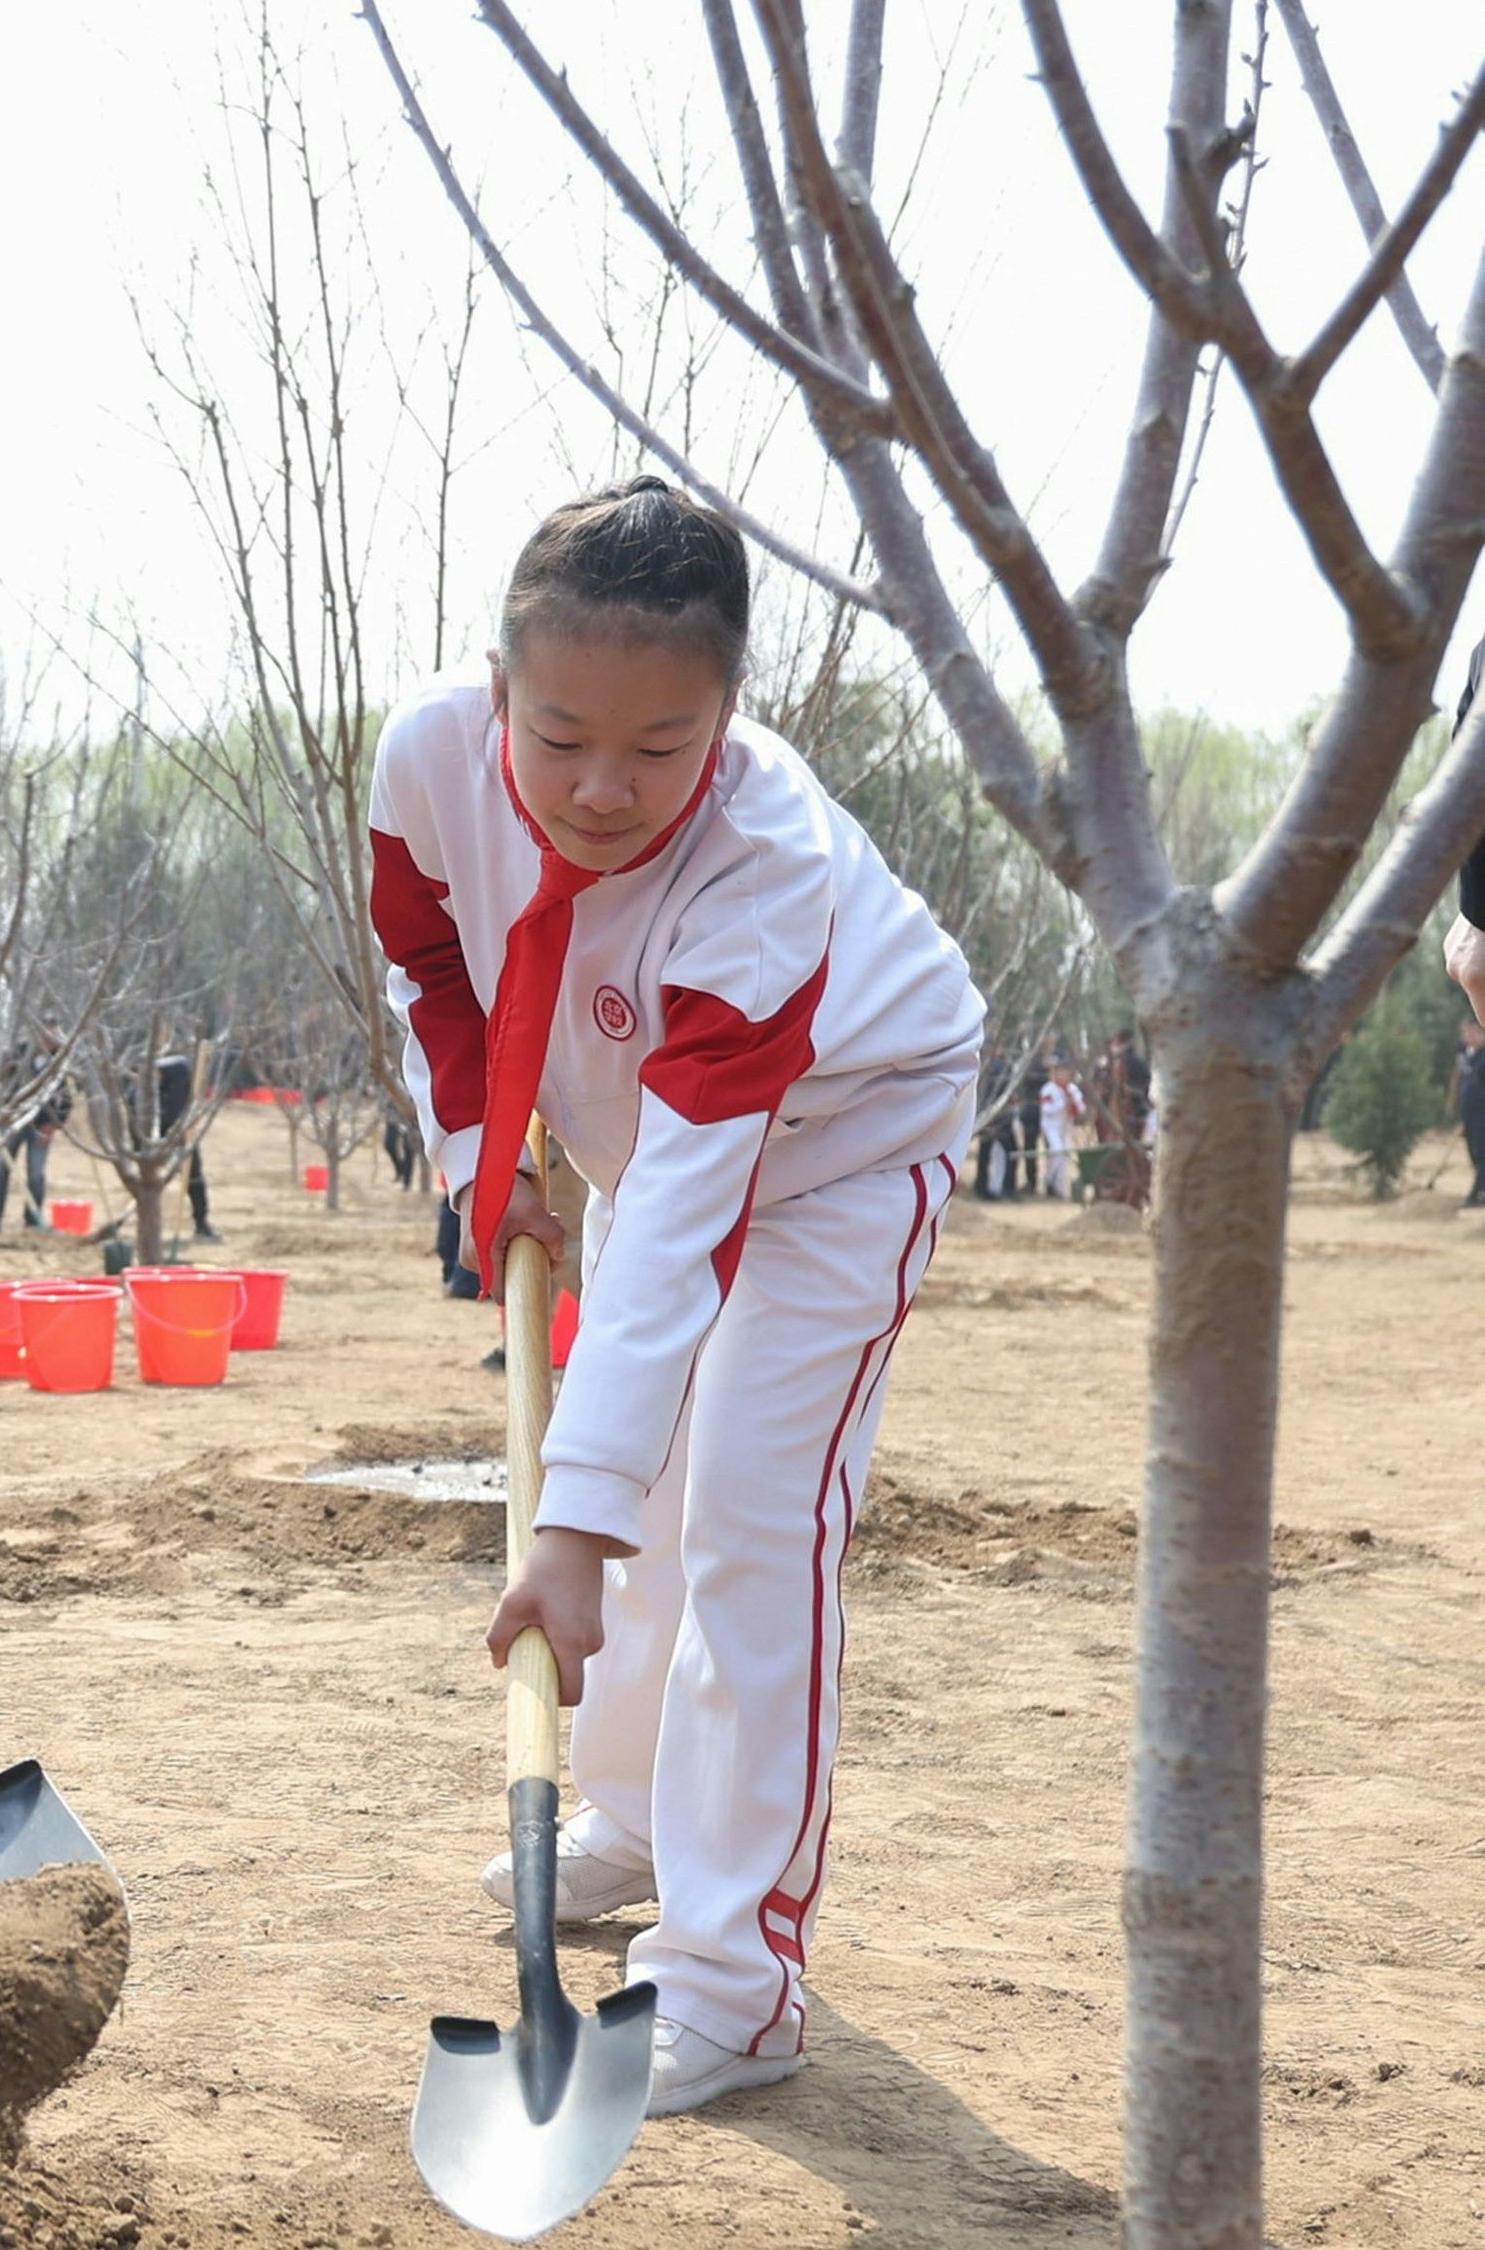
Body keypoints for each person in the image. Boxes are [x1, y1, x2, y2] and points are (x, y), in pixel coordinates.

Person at [369, 475, 981, 2117]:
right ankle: (634, 1822)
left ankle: (731, 1978)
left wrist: (560, 1538)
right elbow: (429, 958)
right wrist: (488, 1164)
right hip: (666, 1135)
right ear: (498, 686)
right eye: (560, 736)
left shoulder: (762, 865)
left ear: (729, 713)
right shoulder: (426, 759)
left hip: (846, 1141)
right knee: (643, 1472)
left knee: (748, 1520)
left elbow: (691, 1221)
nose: (603, 789)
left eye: (663, 745)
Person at [0, 1031, 69, 1233]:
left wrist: (53, 1125)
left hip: (41, 1126)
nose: (48, 1043)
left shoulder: (60, 1062)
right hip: (11, 1121)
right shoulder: (17, 1054)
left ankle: (33, 1220)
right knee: (1, 1170)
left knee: (36, 1174)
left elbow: (66, 1099)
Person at [157, 1050, 218, 1243]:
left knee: (194, 1180)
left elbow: (173, 1117)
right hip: (155, 1144)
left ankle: (201, 1223)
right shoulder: (155, 1093)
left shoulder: (177, 1092)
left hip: (181, 1140)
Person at [1036, 1058, 1087, 1202]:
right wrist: (1062, 1103)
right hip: (1051, 1125)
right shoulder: (1048, 1089)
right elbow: (1046, 1109)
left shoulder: (1072, 1089)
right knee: (1057, 1151)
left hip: (1066, 1126)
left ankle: (1060, 1188)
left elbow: (1082, 1108)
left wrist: (1074, 1102)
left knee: (1064, 1155)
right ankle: (1049, 1179)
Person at [1455, 1016, 1485, 1208]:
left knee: (1482, 1154)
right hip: (1470, 1116)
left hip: (1482, 1115)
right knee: (1474, 1154)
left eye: (1473, 1031)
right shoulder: (1467, 1055)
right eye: (1466, 1032)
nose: (1469, 1036)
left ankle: (1475, 1193)